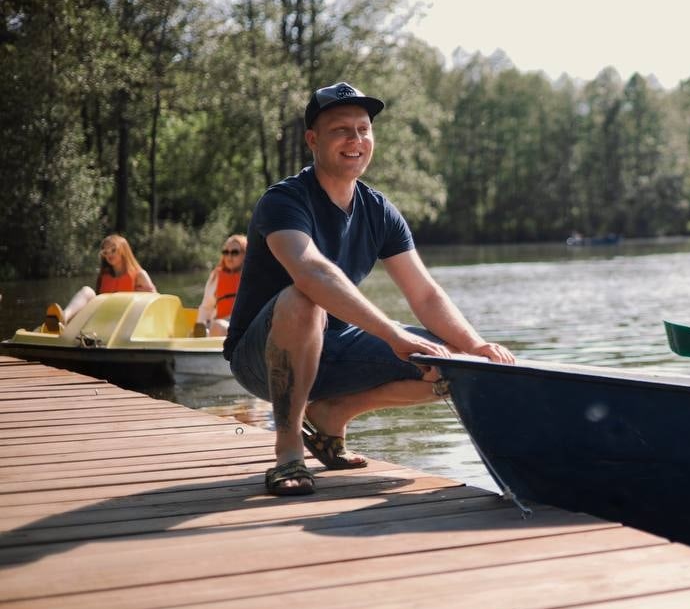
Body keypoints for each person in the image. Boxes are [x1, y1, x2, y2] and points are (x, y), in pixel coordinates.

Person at [225, 80, 515, 496]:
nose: (355, 140)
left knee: (455, 366)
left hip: (338, 349)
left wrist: (475, 346)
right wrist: (393, 334)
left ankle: (332, 414)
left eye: (363, 129)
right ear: (313, 140)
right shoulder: (284, 200)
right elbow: (312, 273)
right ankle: (289, 449)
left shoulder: (379, 210)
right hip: (261, 357)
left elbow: (425, 294)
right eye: (341, 130)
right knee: (303, 299)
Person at [47, 234, 157, 330]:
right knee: (87, 291)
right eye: (105, 252)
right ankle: (62, 318)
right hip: (104, 319)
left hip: (127, 322)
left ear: (124, 250)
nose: (109, 255)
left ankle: (62, 324)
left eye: (113, 250)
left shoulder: (140, 275)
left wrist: (146, 295)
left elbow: (156, 302)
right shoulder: (104, 276)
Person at [196, 234, 247, 337]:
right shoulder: (216, 277)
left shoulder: (252, 276)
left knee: (219, 326)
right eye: (226, 252)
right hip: (221, 323)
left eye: (234, 252)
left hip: (245, 325)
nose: (229, 256)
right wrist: (199, 325)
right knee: (218, 326)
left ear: (245, 254)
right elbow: (206, 307)